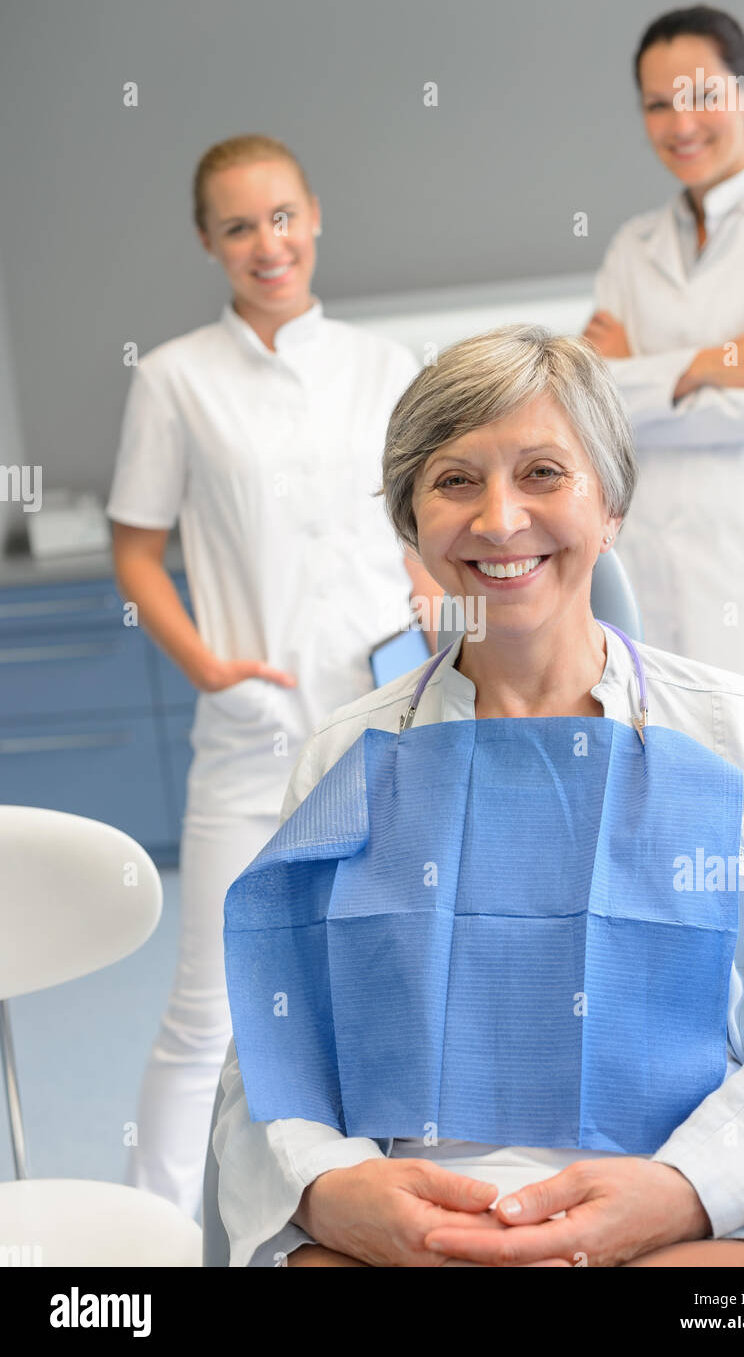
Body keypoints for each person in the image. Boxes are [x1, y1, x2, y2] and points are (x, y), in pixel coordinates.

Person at [212, 326, 744, 1268]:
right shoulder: (347, 757)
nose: (500, 520)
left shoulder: (737, 736)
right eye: (455, 481)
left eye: (544, 473)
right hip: (417, 1226)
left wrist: (683, 1191)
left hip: (688, 1216)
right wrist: (328, 1185)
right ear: (412, 523)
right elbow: (272, 1040)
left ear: (611, 506)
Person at [107, 133, 439, 1217]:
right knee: (209, 1009)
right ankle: (146, 1235)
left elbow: (419, 525)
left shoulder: (384, 367)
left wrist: (433, 591)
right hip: (252, 733)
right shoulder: (174, 379)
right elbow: (135, 549)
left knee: (388, 977)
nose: (268, 243)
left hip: (384, 718)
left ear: (315, 216)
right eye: (240, 225)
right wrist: (205, 661)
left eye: (283, 215)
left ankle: (383, 1207)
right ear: (209, 242)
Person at [582, 5, 744, 809]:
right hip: (653, 553)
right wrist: (712, 359)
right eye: (657, 104)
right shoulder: (633, 245)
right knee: (672, 802)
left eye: (698, 94)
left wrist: (642, 368)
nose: (679, 122)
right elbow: (594, 400)